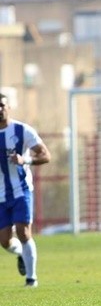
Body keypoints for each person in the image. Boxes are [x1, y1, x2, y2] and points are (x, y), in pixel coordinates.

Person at [0, 93, 51, 287]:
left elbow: (46, 155)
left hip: (21, 190)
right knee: (4, 241)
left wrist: (25, 160)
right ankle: (21, 254)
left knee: (23, 231)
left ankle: (31, 279)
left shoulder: (22, 130)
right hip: (1, 195)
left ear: (8, 107)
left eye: (2, 105)